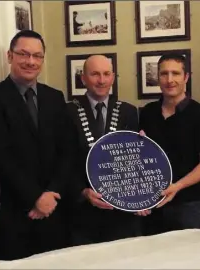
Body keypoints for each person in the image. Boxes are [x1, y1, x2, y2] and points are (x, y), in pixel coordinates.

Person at [0, 30, 76, 260]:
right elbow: (0, 155)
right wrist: (35, 197)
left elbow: (68, 150)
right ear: (9, 56)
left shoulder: (55, 97)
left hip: (55, 210)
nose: (30, 61)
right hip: (16, 212)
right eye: (23, 54)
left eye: (37, 56)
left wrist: (52, 193)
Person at [67, 54, 145, 245]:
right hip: (83, 212)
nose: (101, 80)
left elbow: (133, 162)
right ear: (83, 78)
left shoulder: (128, 111)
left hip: (121, 213)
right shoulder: (67, 112)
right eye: (94, 74)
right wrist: (83, 191)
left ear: (112, 77)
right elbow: (64, 161)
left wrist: (142, 196)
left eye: (106, 74)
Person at [139, 53, 200, 235]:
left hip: (189, 205)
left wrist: (177, 186)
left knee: (188, 261)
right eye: (164, 74)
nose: (169, 80)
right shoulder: (147, 113)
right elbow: (139, 158)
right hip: (153, 204)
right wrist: (138, 198)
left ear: (186, 77)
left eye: (175, 73)